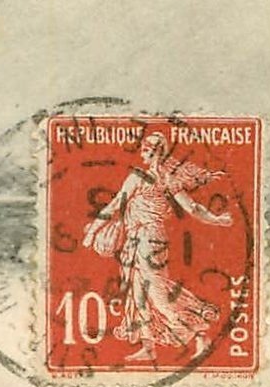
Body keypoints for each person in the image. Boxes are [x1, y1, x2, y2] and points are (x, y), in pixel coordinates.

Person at [81, 133, 232, 362]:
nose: (141, 153)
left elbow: (114, 205)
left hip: (145, 239)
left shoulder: (138, 177)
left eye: (144, 149)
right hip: (145, 238)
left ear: (154, 151)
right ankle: (148, 347)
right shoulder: (170, 179)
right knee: (138, 293)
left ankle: (200, 333)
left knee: (157, 293)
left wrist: (93, 231)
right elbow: (193, 208)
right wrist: (217, 220)